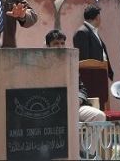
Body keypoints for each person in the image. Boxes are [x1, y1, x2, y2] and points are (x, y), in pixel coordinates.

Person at [45, 29, 105, 158]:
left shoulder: (70, 64)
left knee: (99, 116)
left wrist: (78, 99)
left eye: (62, 43)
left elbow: (81, 88)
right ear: (47, 46)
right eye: (56, 43)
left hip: (73, 106)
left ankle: (85, 153)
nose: (60, 46)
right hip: (52, 109)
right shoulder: (41, 66)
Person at [72, 4, 114, 81]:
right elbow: (84, 60)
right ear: (97, 17)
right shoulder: (82, 32)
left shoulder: (93, 31)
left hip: (100, 73)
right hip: (92, 77)